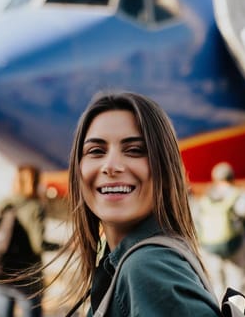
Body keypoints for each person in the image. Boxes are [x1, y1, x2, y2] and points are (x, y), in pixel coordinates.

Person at [47, 92, 220, 316]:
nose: (111, 166)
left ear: (166, 172)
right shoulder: (127, 263)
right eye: (96, 151)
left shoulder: (148, 268)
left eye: (135, 150)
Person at [0, 165, 53, 317]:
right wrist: (66, 246)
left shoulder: (4, 204)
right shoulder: (35, 207)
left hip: (1, 272)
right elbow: (38, 245)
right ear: (35, 182)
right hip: (26, 278)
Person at [195, 162, 245, 298]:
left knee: (216, 284)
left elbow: (197, 218)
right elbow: (244, 212)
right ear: (231, 177)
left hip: (209, 246)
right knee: (235, 282)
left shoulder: (207, 195)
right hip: (234, 244)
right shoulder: (238, 193)